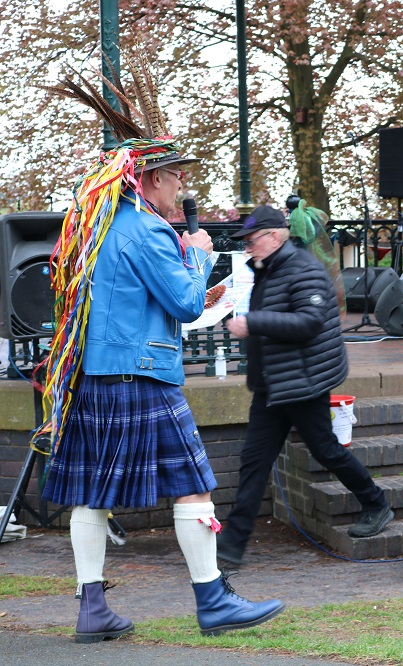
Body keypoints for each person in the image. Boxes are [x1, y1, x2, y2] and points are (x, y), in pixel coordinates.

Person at [37, 65, 283, 642]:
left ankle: (92, 610)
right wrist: (197, 255)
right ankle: (214, 600)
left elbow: (148, 299)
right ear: (147, 181)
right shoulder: (148, 230)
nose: (181, 190)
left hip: (102, 373)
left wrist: (196, 282)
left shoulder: (104, 227)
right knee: (194, 481)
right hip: (142, 374)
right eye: (174, 178)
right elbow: (179, 301)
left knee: (92, 494)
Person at [218, 205, 393, 566]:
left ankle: (376, 502)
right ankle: (232, 546)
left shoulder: (302, 267)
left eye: (252, 240)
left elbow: (309, 321)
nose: (248, 247)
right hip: (275, 384)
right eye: (246, 242)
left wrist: (254, 323)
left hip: (304, 381)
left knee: (326, 449)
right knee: (254, 461)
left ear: (275, 236)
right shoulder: (270, 268)